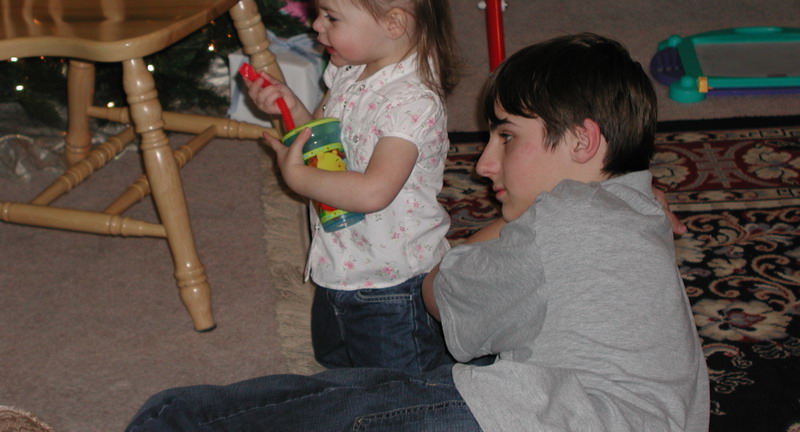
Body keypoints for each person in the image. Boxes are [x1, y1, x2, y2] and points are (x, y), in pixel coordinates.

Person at [126, 33, 709, 432]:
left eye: (507, 137)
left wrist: (503, 226)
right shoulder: (641, 215)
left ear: (582, 141)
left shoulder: (561, 222)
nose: (485, 164)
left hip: (545, 417)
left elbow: (439, 292)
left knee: (197, 416)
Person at [245, 0, 459, 373]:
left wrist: (297, 177)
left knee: (401, 393)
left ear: (393, 23)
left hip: (393, 285)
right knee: (338, 367)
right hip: (339, 264)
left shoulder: (412, 103)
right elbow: (328, 141)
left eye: (332, 17)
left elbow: (373, 191)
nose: (316, 25)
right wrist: (291, 108)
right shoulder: (348, 69)